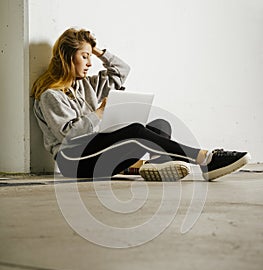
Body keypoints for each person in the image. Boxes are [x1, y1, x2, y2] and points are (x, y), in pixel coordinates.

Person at [31, 28, 250, 181]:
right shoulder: (51, 95)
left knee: (160, 126)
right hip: (74, 161)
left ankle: (157, 163)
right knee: (136, 131)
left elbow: (122, 70)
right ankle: (206, 159)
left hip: (96, 153)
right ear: (67, 56)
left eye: (91, 57)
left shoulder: (86, 85)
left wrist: (97, 50)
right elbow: (68, 137)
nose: (90, 63)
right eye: (84, 56)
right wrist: (98, 113)